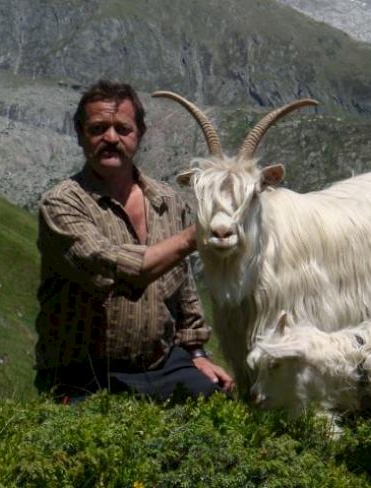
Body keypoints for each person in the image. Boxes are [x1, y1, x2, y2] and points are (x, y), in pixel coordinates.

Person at [34, 80, 234, 404]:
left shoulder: (168, 201)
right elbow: (123, 270)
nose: (110, 138)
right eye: (98, 128)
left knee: (218, 407)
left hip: (162, 364)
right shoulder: (61, 205)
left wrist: (196, 351)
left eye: (122, 129)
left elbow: (183, 289)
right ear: (80, 133)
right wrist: (195, 235)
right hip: (84, 373)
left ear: (139, 134)